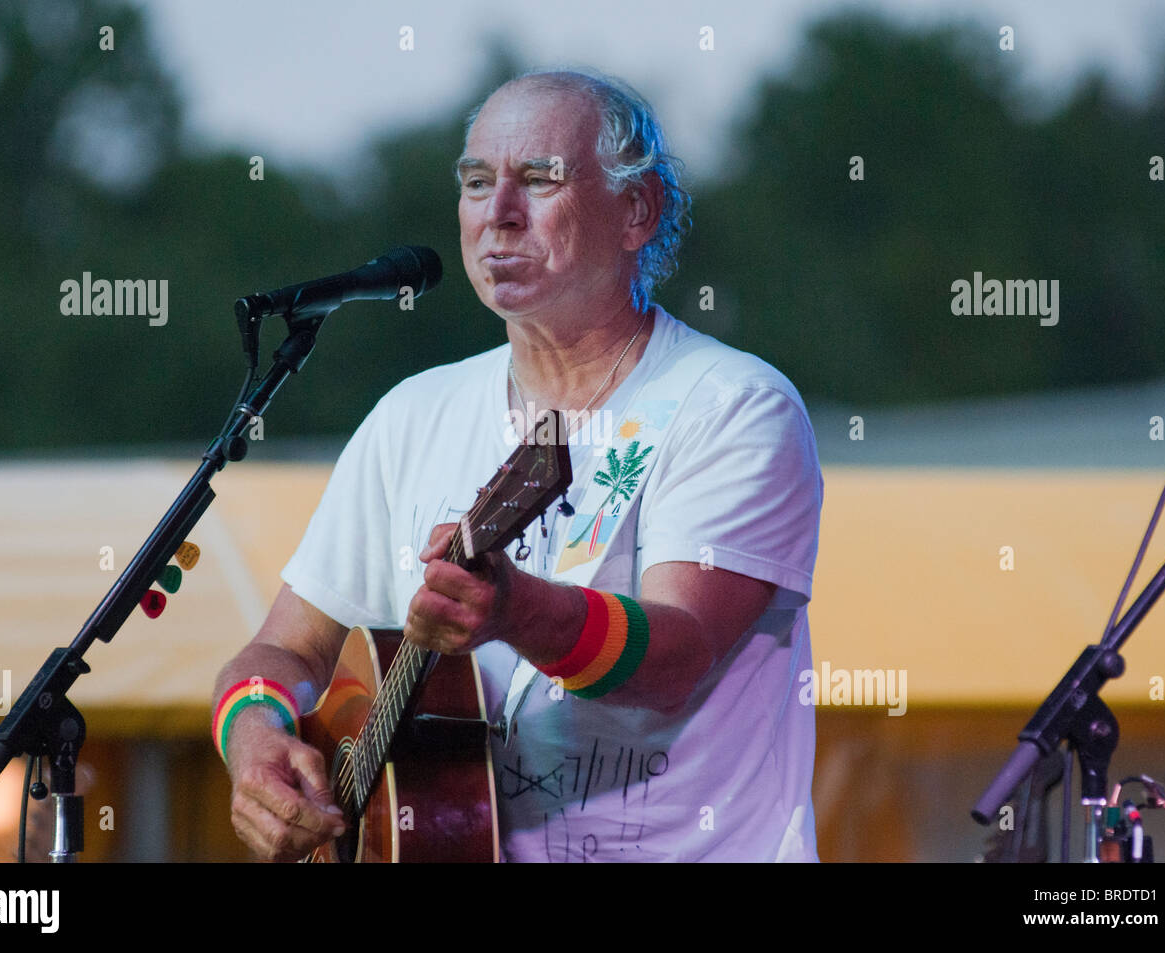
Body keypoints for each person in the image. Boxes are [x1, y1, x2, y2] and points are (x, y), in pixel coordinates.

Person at [212, 68, 823, 862]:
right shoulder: (412, 415)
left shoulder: (734, 405)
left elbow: (680, 654)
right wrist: (256, 735)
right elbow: (284, 651)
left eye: (539, 179)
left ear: (636, 211)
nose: (498, 212)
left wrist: (514, 607)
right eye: (475, 182)